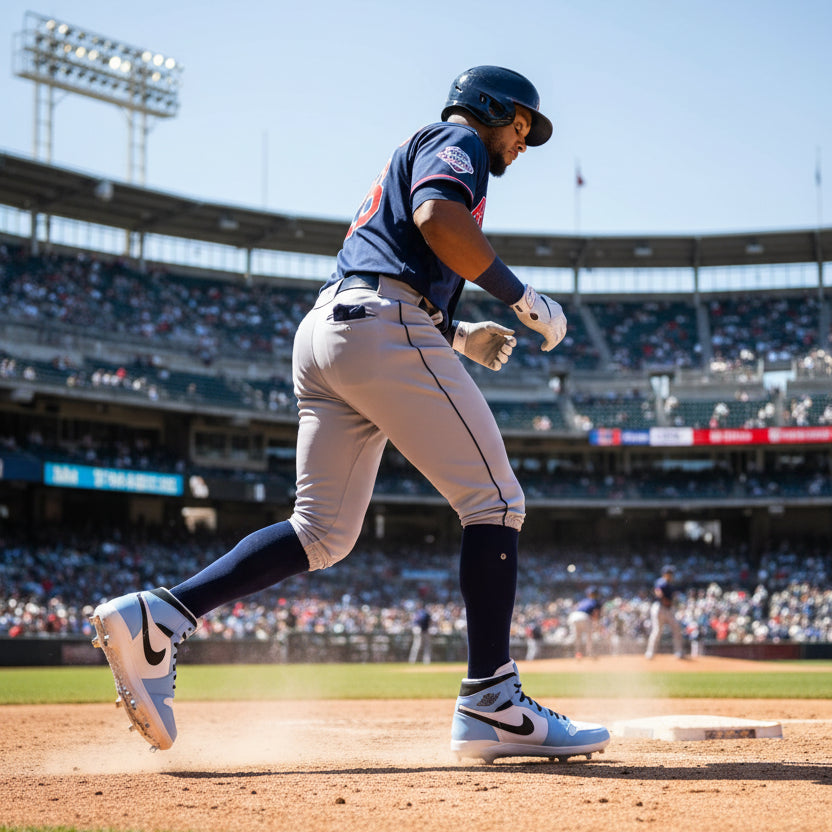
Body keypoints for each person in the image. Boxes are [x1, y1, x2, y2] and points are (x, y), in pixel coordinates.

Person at [89, 65, 610, 763]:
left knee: (322, 533)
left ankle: (160, 616)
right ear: (489, 110)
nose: (523, 143)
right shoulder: (457, 139)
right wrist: (519, 296)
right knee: (496, 500)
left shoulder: (422, 151)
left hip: (336, 328)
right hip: (378, 325)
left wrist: (455, 334)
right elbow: (436, 217)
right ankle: (492, 700)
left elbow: (386, 261)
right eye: (521, 126)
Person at [644, 564, 684, 659]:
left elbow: (673, 597)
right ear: (664, 574)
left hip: (668, 609)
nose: (670, 575)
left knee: (676, 629)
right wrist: (663, 598)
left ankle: (678, 652)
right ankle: (650, 653)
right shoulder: (661, 582)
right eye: (669, 573)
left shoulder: (670, 584)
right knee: (657, 630)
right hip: (660, 608)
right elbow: (658, 591)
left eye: (671, 573)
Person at [568, 586, 602, 659]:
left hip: (573, 616)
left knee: (577, 637)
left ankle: (577, 653)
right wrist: (596, 624)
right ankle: (590, 653)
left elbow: (575, 608)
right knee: (589, 636)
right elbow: (596, 614)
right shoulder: (596, 601)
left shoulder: (583, 601)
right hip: (584, 616)